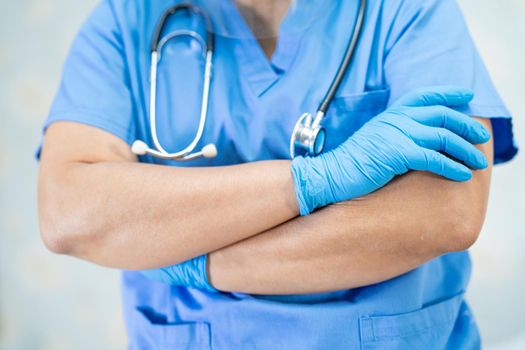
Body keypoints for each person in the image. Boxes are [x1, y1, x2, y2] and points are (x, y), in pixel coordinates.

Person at [37, 0, 517, 349]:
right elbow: (70, 213)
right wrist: (319, 178)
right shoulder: (125, 23)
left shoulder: (407, 10)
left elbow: (447, 213)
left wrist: (194, 260)